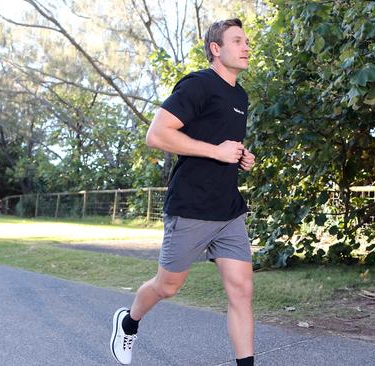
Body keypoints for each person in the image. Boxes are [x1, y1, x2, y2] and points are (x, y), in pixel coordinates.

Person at [110, 18, 256, 366]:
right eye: (237, 41)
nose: (246, 46)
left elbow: (220, 140)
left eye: (247, 40)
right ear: (216, 49)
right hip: (191, 207)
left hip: (228, 211)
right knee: (168, 287)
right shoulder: (199, 85)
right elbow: (157, 135)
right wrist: (216, 151)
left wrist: (239, 155)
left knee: (242, 292)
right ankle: (128, 322)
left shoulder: (240, 95)